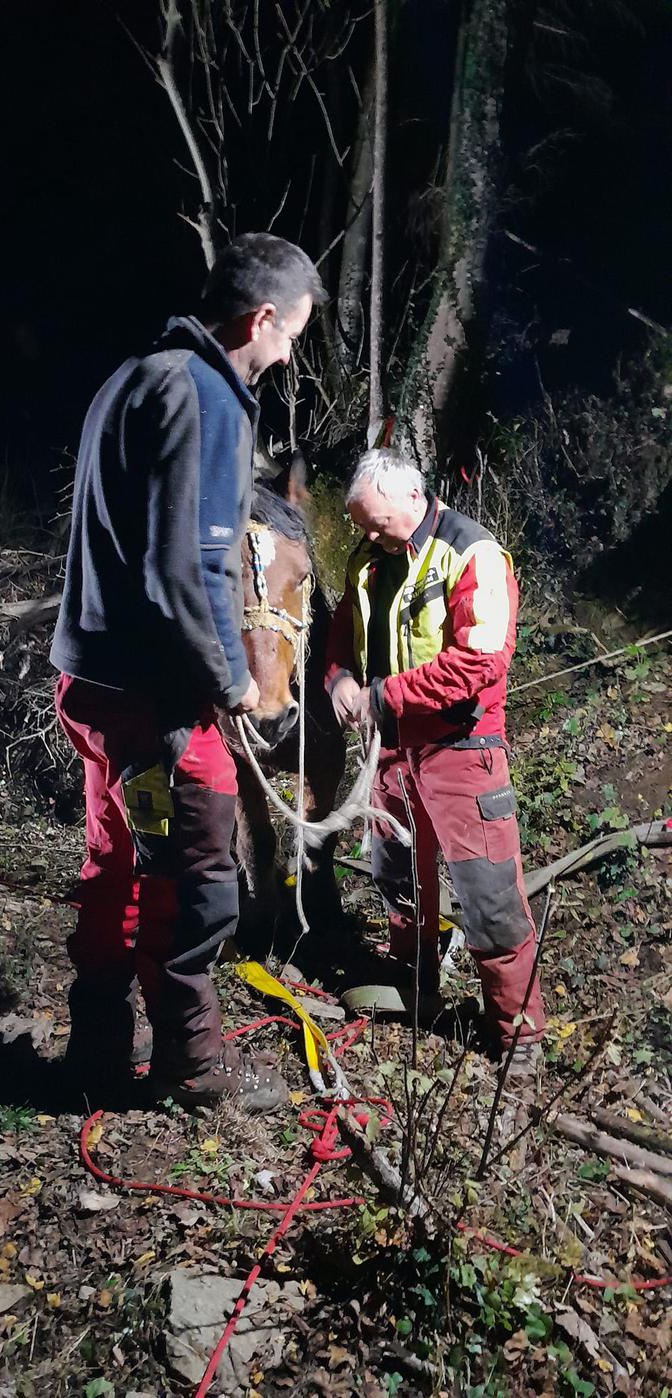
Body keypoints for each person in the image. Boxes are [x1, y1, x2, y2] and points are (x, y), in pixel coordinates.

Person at [51, 232, 325, 1109]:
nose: (288, 355)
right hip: (156, 712)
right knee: (193, 877)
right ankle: (194, 1068)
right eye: (292, 335)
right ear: (263, 316)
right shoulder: (209, 394)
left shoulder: (127, 380)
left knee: (116, 859)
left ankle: (95, 1047)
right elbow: (185, 571)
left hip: (89, 689)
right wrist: (231, 681)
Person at [325, 448, 545, 1078]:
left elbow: (480, 663)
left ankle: (516, 1030)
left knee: (488, 892)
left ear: (411, 497)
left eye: (373, 521)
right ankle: (413, 981)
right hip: (390, 752)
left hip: (462, 750)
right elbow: (342, 633)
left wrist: (379, 696)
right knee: (395, 876)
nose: (365, 535)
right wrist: (338, 676)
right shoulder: (368, 559)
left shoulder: (473, 552)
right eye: (359, 524)